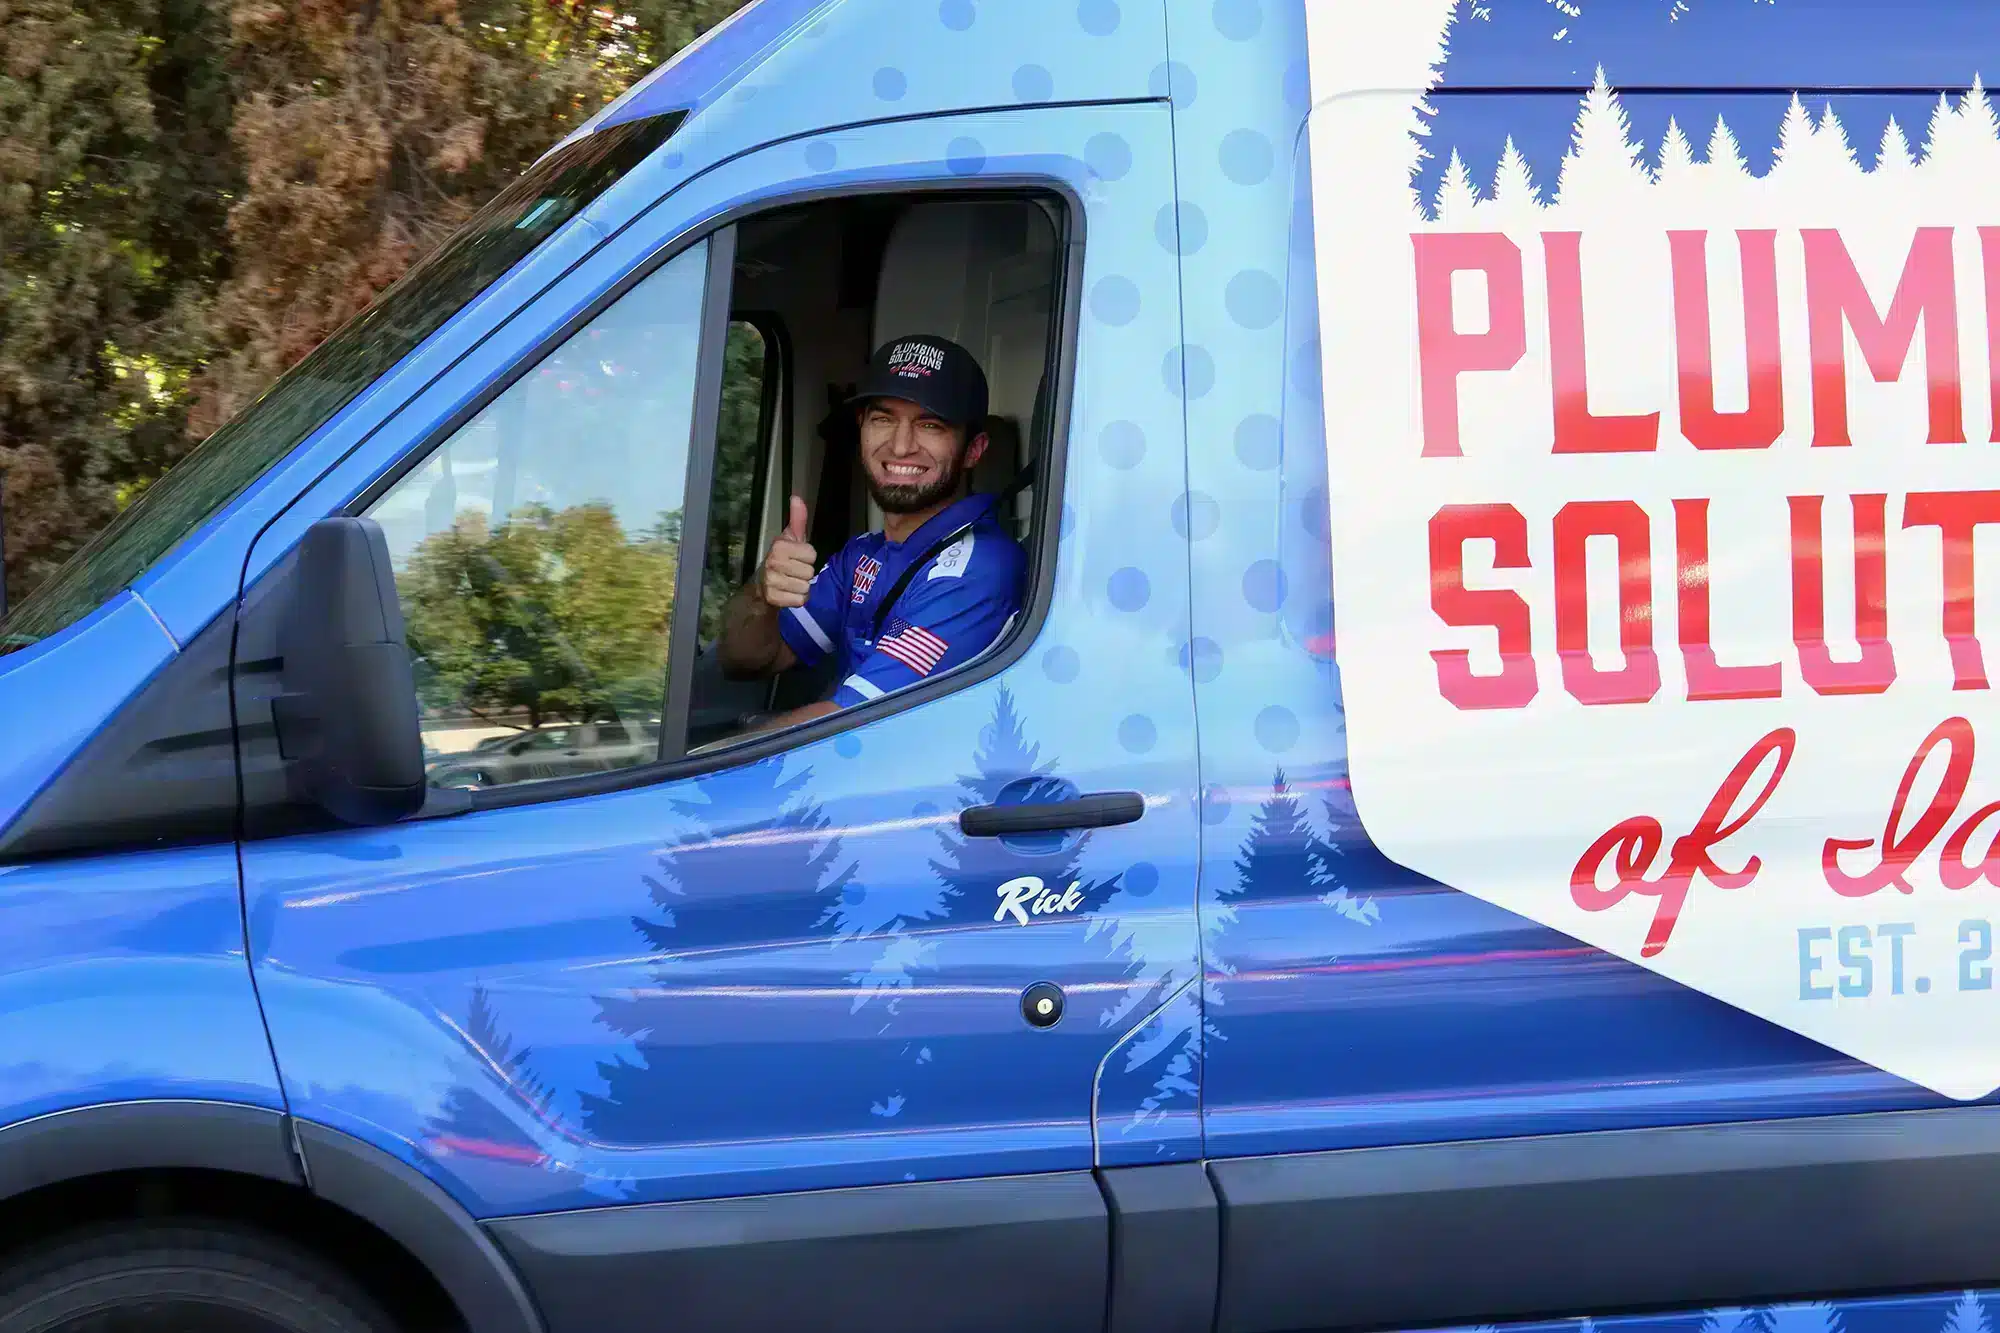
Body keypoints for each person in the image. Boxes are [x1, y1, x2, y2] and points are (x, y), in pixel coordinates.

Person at [718, 334, 1028, 734]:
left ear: (974, 449)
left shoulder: (978, 570)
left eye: (930, 424)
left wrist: (708, 764)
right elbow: (747, 660)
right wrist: (764, 591)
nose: (900, 446)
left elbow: (850, 728)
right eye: (883, 419)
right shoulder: (864, 553)